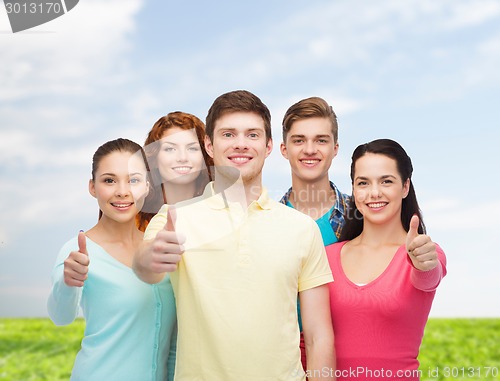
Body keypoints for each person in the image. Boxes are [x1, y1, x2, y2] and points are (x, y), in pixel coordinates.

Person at [133, 90, 336, 381]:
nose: (241, 144)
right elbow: (144, 267)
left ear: (268, 146)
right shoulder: (174, 218)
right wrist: (151, 257)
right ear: (209, 145)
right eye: (228, 134)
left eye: (252, 135)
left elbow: (318, 335)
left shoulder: (302, 228)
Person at [47, 138, 177, 381]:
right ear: (93, 187)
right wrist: (67, 283)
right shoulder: (77, 250)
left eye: (133, 180)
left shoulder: (159, 247)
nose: (122, 191)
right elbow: (60, 317)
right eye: (109, 180)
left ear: (147, 187)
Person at [326, 138, 447, 380]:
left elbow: (428, 277)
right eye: (363, 183)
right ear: (354, 189)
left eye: (386, 181)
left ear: (405, 187)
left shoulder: (423, 252)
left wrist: (423, 263)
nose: (374, 193)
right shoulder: (327, 256)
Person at [279, 96, 350, 371]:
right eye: (299, 140)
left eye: (321, 140)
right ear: (284, 149)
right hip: (286, 363)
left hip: (353, 357)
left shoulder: (364, 216)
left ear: (335, 149)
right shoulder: (266, 223)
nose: (310, 149)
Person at [137, 111, 213, 232]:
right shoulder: (136, 217)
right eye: (170, 149)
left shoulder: (220, 210)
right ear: (154, 158)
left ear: (205, 155)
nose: (182, 158)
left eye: (192, 148)